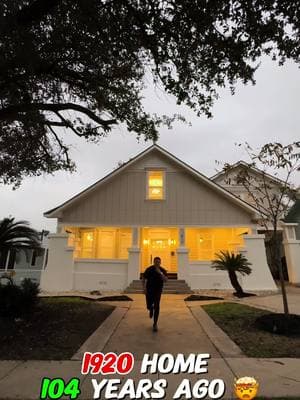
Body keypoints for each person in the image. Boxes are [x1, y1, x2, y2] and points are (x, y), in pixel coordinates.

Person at [142, 256, 168, 332]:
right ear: (154, 262)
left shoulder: (162, 270)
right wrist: (144, 288)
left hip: (158, 291)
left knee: (157, 305)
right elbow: (143, 278)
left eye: (158, 262)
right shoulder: (149, 269)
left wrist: (160, 273)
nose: (157, 263)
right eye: (156, 262)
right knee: (148, 306)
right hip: (149, 290)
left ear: (160, 263)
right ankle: (150, 309)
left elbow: (166, 280)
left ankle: (155, 324)